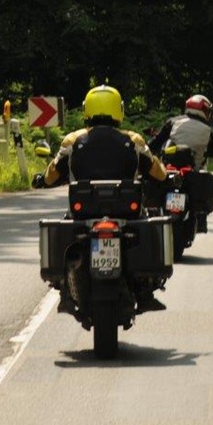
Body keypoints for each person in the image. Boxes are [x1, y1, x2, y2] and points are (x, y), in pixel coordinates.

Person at [32, 85, 170, 313]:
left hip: (82, 211)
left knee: (66, 225)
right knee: (146, 222)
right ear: (120, 109)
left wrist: (41, 180)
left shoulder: (73, 140)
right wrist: (165, 179)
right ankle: (146, 291)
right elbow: (156, 170)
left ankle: (65, 290)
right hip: (128, 210)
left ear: (87, 110)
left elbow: (53, 172)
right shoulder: (133, 139)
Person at [148, 94, 213, 170]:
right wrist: (207, 151)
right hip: (195, 172)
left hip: (170, 170)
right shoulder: (211, 130)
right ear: (205, 110)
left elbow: (154, 144)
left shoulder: (172, 122)